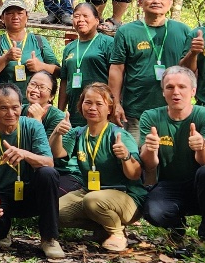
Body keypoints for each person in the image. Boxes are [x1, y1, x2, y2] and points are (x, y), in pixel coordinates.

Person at [0, 84, 64, 258]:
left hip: (32, 195)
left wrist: (25, 154)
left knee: (47, 174)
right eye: (3, 108)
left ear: (22, 105)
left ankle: (49, 238)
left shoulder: (33, 127)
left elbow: (49, 162)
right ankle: (1, 233)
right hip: (2, 197)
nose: (10, 113)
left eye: (15, 107)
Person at [51, 82, 145, 252]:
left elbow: (135, 174)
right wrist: (57, 133)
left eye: (99, 104)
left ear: (109, 109)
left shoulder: (118, 135)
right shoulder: (78, 133)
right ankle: (102, 227)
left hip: (126, 196)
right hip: (90, 192)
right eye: (88, 102)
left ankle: (117, 233)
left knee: (93, 201)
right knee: (54, 213)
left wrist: (125, 156)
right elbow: (57, 154)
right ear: (81, 106)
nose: (92, 107)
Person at [136, 66, 205, 242]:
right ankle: (177, 225)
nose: (176, 92)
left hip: (201, 185)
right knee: (153, 212)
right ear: (163, 92)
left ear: (193, 91)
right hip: (169, 185)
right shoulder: (151, 117)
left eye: (182, 87)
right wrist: (150, 149)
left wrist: (201, 145)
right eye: (170, 87)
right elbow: (149, 165)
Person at [110, 0, 192, 132]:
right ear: (140, 2)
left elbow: (192, 69)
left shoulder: (183, 31)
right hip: (136, 111)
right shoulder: (126, 31)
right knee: (134, 154)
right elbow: (117, 68)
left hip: (176, 112)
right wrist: (115, 103)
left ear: (170, 3)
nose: (156, 1)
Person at [0, 0, 59, 94]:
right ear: (2, 18)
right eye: (9, 13)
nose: (15, 17)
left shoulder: (39, 41)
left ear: (27, 17)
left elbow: (58, 71)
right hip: (6, 102)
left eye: (20, 13)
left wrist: (41, 66)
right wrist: (5, 58)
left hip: (35, 102)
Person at [59, 3, 114, 125]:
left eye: (85, 16)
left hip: (100, 110)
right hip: (75, 112)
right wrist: (60, 112)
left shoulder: (108, 43)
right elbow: (64, 81)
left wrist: (114, 106)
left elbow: (116, 76)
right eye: (76, 16)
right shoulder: (69, 48)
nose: (80, 20)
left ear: (96, 20)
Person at [22, 71, 67, 139]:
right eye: (32, 84)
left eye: (42, 87)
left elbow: (45, 148)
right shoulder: (19, 110)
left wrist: (37, 122)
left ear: (51, 96)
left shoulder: (58, 118)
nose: (35, 90)